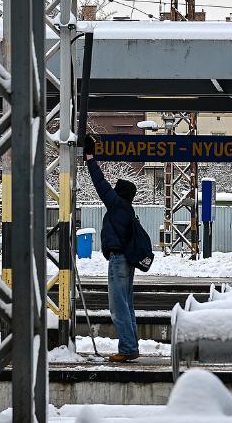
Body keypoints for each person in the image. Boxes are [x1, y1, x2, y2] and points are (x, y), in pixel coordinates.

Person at [84, 136, 140, 362]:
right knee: (127, 306)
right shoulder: (127, 209)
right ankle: (131, 345)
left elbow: (100, 183)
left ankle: (127, 348)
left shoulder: (117, 205)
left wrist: (90, 159)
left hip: (118, 261)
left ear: (119, 194)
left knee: (118, 308)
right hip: (127, 260)